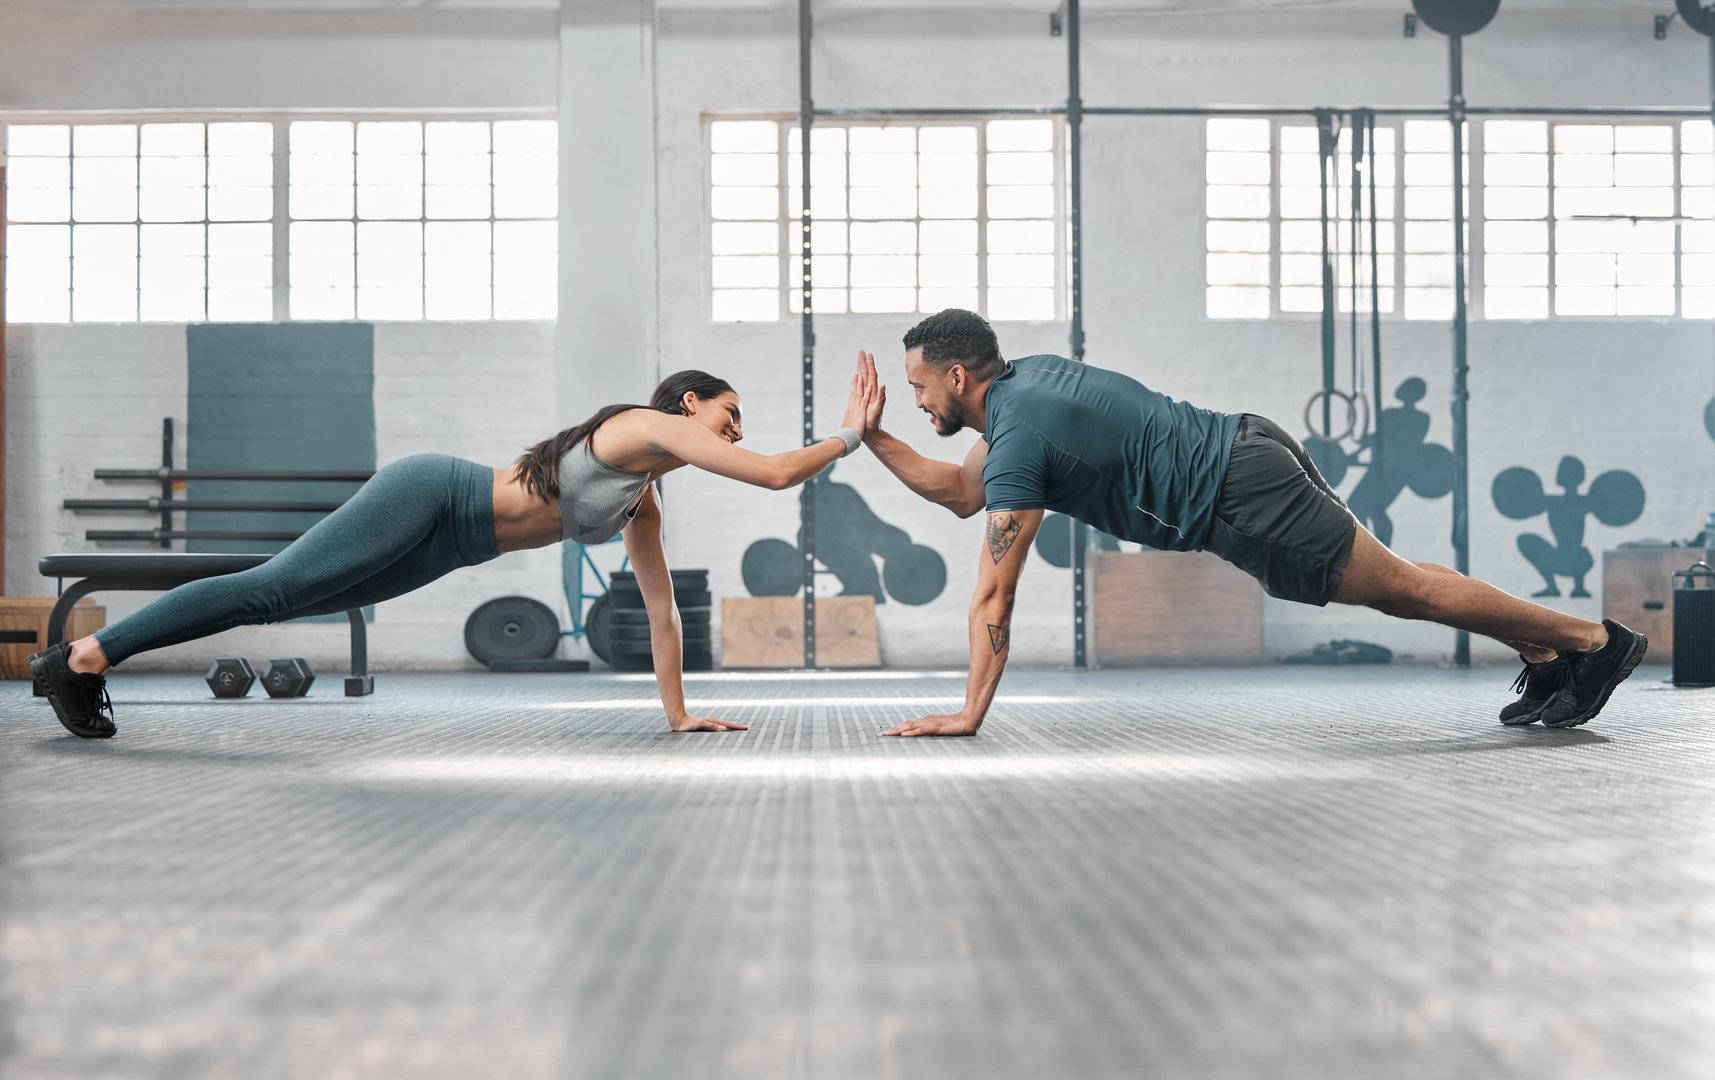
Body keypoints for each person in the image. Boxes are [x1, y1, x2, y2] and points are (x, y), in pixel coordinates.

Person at [857, 308, 1648, 737]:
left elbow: (993, 597)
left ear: (957, 376)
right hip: (1242, 451)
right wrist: (873, 436)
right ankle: (1543, 651)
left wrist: (969, 714)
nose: (917, 398)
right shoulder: (1021, 390)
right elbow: (962, 494)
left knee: (1403, 592)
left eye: (917, 387)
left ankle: (1591, 644)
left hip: (1237, 492)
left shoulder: (1020, 438)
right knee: (1399, 585)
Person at [32, 368, 878, 739]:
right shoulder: (645, 424)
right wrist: (852, 431)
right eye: (729, 411)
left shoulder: (641, 499)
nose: (736, 428)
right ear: (691, 404)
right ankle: (79, 659)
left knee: (290, 599)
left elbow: (659, 615)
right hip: (437, 494)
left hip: (454, 547)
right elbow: (772, 476)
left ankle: (77, 660)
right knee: (272, 589)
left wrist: (679, 713)